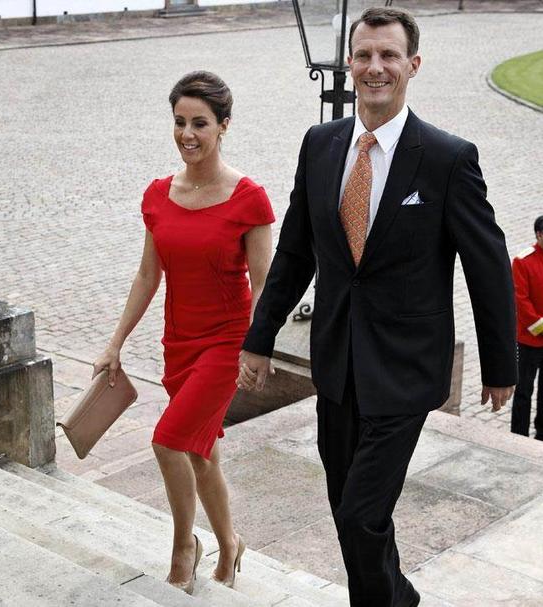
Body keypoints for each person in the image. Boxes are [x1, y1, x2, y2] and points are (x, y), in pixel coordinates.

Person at [237, 8, 517, 607]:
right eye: (364, 55)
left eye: (389, 55)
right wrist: (259, 338)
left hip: (406, 368)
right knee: (348, 508)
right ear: (349, 63)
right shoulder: (320, 144)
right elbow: (295, 251)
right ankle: (398, 599)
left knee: (361, 514)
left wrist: (500, 366)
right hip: (336, 363)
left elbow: (488, 266)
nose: (375, 67)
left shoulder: (446, 158)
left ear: (413, 65)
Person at [94, 71, 275, 595]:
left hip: (226, 343)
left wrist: (257, 349)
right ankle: (231, 544)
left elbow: (264, 284)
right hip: (178, 343)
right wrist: (115, 343)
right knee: (200, 453)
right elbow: (147, 276)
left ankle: (183, 547)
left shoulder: (249, 199)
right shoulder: (158, 195)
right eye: (179, 122)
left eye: (200, 123)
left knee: (169, 441)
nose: (187, 134)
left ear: (224, 126)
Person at [511, 215, 543, 439]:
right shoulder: (522, 261)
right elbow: (521, 302)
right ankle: (518, 435)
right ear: (539, 235)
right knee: (523, 391)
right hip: (529, 340)